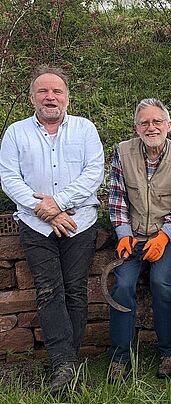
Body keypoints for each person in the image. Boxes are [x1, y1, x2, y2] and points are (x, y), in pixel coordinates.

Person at [0, 65, 104, 393]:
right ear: (32, 97)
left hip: (79, 222)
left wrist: (55, 203)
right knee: (48, 289)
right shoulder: (16, 132)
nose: (50, 96)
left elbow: (94, 173)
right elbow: (9, 177)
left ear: (67, 98)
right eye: (43, 91)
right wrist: (42, 210)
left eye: (57, 91)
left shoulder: (85, 129)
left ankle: (64, 365)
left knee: (74, 289)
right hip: (35, 225)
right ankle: (64, 364)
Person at [107, 98, 171, 381]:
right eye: (145, 122)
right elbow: (117, 197)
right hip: (132, 237)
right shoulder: (122, 152)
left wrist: (164, 237)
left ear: (168, 125)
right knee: (122, 284)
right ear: (136, 127)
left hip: (168, 236)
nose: (151, 127)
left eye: (157, 121)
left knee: (161, 282)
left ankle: (169, 352)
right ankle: (120, 357)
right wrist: (123, 233)